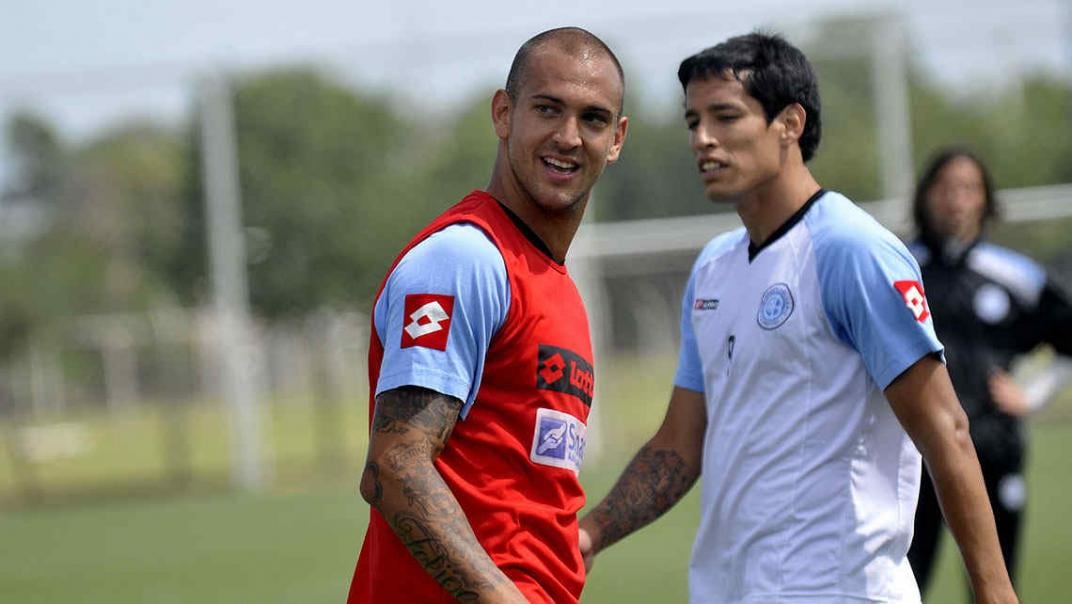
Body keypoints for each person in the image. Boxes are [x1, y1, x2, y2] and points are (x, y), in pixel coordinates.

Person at [577, 32, 1018, 603]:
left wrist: (995, 591)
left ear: (790, 123)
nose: (703, 140)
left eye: (725, 117)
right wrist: (592, 532)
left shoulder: (850, 250)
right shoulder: (713, 268)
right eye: (693, 122)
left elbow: (945, 427)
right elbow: (679, 444)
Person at [347, 27, 628, 604]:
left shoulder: (554, 282)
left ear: (617, 139)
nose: (569, 137)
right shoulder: (464, 259)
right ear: (504, 113)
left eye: (593, 119)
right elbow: (396, 466)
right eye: (548, 109)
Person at [906, 147, 1072, 594]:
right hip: (911, 462)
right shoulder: (896, 268)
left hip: (993, 453)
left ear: (984, 199)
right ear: (925, 196)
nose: (956, 199)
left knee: (995, 587)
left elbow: (1067, 342)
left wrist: (1031, 394)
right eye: (945, 188)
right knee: (901, 587)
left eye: (968, 188)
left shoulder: (1015, 276)